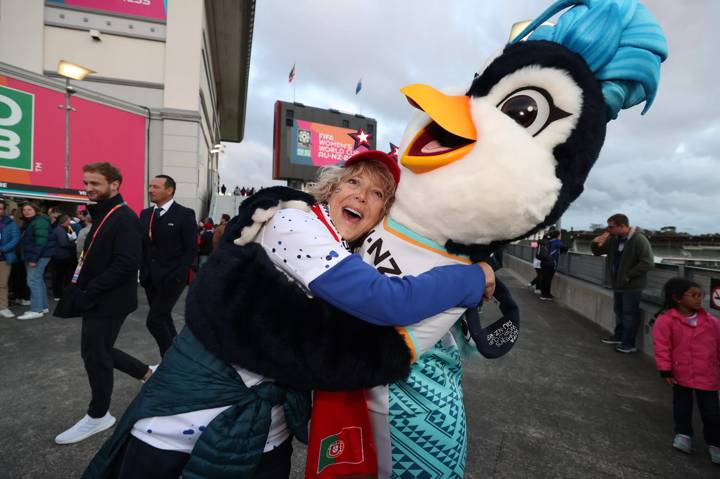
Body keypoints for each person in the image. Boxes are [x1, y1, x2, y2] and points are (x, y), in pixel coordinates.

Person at [83, 150, 495, 479]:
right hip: (184, 422)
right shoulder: (291, 220)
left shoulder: (349, 253)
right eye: (353, 182)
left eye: (377, 195)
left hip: (265, 432)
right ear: (330, 188)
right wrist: (472, 279)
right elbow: (387, 301)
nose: (360, 197)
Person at [54, 162, 154, 445]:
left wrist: (90, 291)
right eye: (86, 182)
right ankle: (147, 373)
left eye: (95, 183)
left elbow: (126, 263)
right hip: (99, 297)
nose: (88, 188)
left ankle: (99, 416)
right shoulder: (105, 213)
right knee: (97, 351)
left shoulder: (123, 217)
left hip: (108, 300)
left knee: (96, 354)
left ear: (115, 184)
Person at [652, 278, 720, 464]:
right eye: (694, 295)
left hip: (708, 375)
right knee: (682, 407)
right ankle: (683, 434)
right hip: (680, 374)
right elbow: (662, 346)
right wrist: (665, 370)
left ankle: (715, 443)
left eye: (701, 295)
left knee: (712, 412)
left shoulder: (713, 323)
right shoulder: (666, 321)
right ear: (677, 298)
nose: (699, 300)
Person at [139, 175, 198, 357]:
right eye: (150, 186)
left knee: (154, 321)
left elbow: (191, 249)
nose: (151, 190)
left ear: (169, 190)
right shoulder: (146, 214)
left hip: (172, 278)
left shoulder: (185, 214)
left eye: (156, 187)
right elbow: (143, 246)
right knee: (163, 318)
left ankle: (170, 360)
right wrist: (143, 271)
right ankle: (180, 355)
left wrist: (180, 275)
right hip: (150, 278)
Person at [591, 213, 654, 353]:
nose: (608, 229)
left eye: (611, 227)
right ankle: (619, 336)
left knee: (629, 313)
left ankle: (628, 343)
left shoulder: (639, 239)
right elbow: (597, 252)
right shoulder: (614, 239)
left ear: (622, 226)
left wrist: (628, 276)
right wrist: (597, 240)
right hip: (618, 284)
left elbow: (648, 263)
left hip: (632, 285)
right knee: (619, 311)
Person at [17, 202, 56, 320]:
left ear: (35, 210)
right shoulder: (33, 221)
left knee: (33, 281)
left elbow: (41, 242)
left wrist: (34, 259)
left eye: (29, 209)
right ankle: (43, 307)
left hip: (39, 256)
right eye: (24, 210)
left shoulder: (39, 221)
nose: (26, 211)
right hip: (38, 256)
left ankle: (36, 310)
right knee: (38, 280)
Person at [0, 198, 21, 318]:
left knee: (2, 283)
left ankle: (3, 307)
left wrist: (2, 249)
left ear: (4, 210)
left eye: (1, 208)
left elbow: (15, 239)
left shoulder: (10, 223)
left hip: (4, 257)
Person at [51, 214, 78, 301]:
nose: (70, 222)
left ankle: (62, 293)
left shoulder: (65, 228)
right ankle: (58, 295)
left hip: (64, 256)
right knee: (59, 276)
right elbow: (63, 243)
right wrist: (75, 244)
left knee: (64, 276)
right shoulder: (59, 230)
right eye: (69, 220)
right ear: (65, 221)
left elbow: (70, 239)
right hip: (60, 257)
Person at [538, 229, 567, 301]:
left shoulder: (549, 241)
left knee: (545, 278)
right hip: (550, 263)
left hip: (544, 262)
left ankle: (546, 294)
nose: (561, 236)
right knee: (548, 279)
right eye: (560, 235)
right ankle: (545, 295)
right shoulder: (557, 242)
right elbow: (564, 247)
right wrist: (564, 251)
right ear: (558, 235)